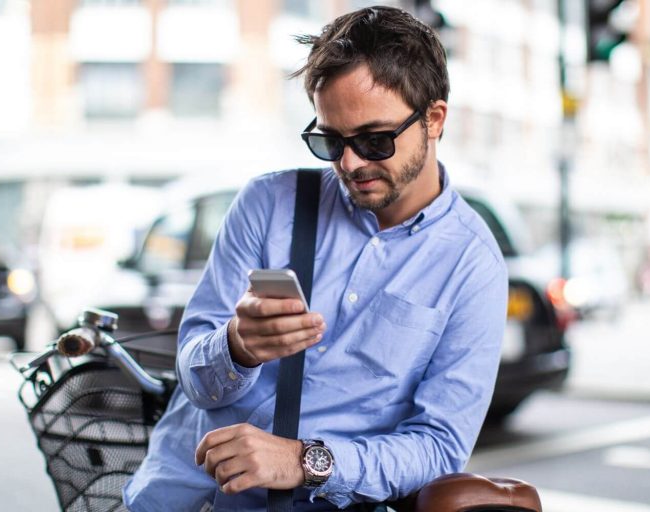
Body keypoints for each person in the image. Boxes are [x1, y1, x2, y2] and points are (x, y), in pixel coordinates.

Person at [123, 6, 508, 511]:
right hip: (177, 499)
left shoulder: (471, 266)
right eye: (330, 140)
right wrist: (236, 347)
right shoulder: (268, 204)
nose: (350, 163)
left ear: (434, 119)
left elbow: (438, 448)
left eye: (375, 140)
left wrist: (306, 460)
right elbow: (194, 376)